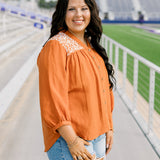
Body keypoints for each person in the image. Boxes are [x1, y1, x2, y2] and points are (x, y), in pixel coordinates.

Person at [37, 0, 115, 159]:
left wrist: (109, 126)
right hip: (71, 140)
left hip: (98, 135)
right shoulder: (56, 47)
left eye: (84, 9)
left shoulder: (90, 45)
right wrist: (72, 141)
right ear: (62, 13)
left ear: (91, 12)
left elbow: (103, 91)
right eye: (71, 9)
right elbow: (52, 100)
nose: (78, 14)